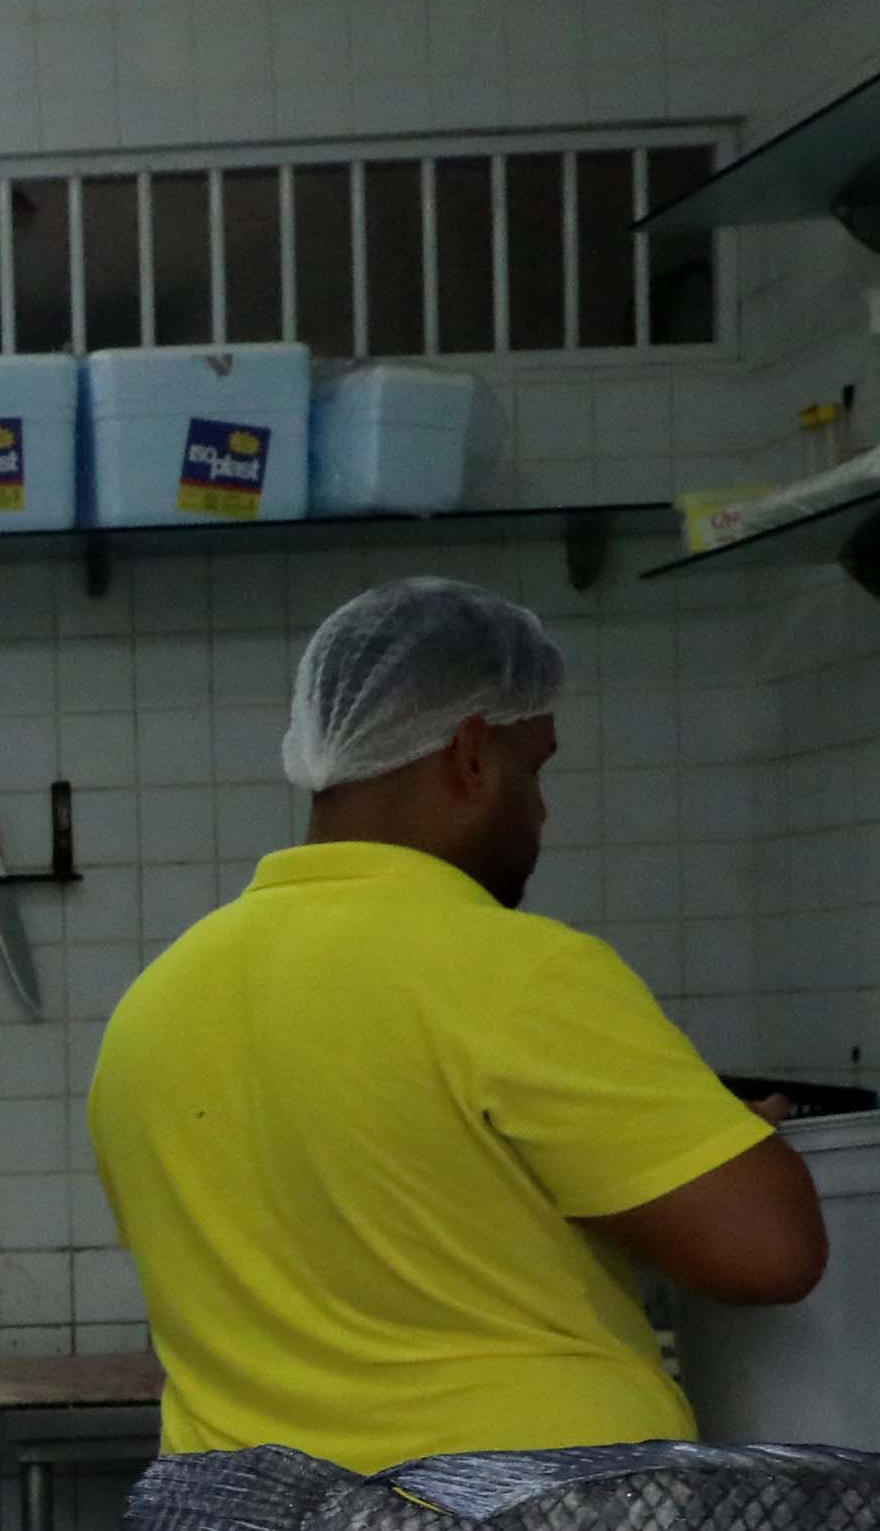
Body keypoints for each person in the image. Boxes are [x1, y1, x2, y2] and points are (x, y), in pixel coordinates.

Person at [86, 578, 824, 1473]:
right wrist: (733, 1145)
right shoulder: (517, 974)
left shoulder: (154, 1005)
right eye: (536, 768)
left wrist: (674, 1140)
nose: (542, 811)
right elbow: (769, 1253)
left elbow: (392, 1216)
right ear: (473, 754)